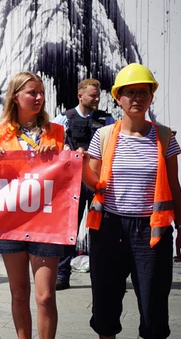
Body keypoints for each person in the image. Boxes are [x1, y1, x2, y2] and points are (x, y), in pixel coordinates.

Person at [81, 63, 181, 339]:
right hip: (108, 230)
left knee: (153, 308)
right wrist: (81, 165)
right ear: (118, 97)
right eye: (130, 92)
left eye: (143, 92)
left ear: (151, 96)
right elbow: (94, 185)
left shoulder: (164, 137)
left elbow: (174, 186)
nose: (137, 98)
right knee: (105, 305)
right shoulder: (103, 136)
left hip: (151, 234)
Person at [0, 71, 68, 339]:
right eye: (32, 92)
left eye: (41, 93)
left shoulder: (56, 131)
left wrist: (61, 156)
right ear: (16, 96)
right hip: (10, 221)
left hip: (46, 220)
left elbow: (66, 173)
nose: (39, 98)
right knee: (19, 293)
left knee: (45, 296)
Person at [51, 78, 114, 290]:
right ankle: (62, 274)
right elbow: (49, 141)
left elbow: (117, 141)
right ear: (80, 96)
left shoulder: (107, 119)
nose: (97, 99)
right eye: (92, 95)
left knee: (101, 229)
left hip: (97, 180)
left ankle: (103, 275)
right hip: (72, 182)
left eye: (98, 95)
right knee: (69, 229)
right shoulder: (64, 119)